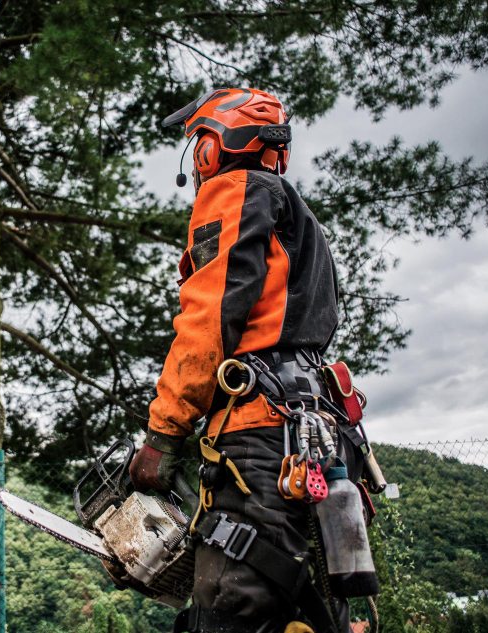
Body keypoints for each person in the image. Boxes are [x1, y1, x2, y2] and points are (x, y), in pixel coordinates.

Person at [129, 88, 359, 633]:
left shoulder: (234, 191)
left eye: (199, 145)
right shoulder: (298, 216)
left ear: (214, 144)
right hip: (317, 435)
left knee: (232, 608)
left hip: (260, 439)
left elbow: (208, 319)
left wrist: (163, 434)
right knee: (308, 609)